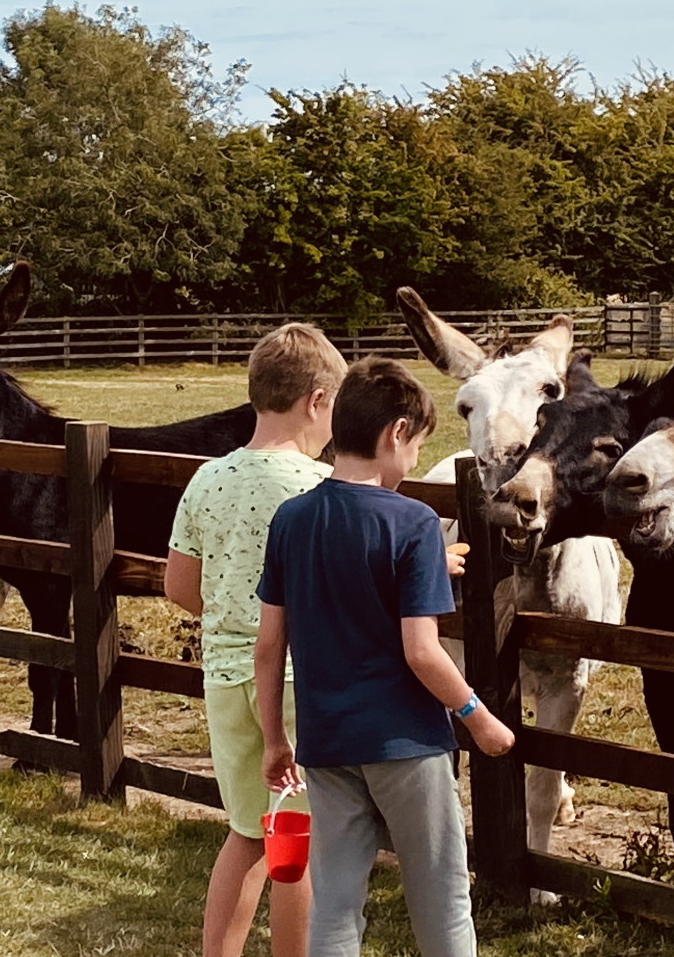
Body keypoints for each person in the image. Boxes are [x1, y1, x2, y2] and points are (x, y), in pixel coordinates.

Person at [254, 357, 514, 957]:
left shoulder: (291, 519)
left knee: (336, 900)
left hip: (326, 742)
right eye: (418, 445)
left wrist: (275, 739)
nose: (415, 460)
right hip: (407, 744)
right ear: (396, 433)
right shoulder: (415, 521)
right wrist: (477, 714)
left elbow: (270, 647)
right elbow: (422, 652)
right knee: (442, 895)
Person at [165, 323, 349, 957]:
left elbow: (181, 587)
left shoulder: (206, 479)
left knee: (246, 831)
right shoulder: (320, 489)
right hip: (296, 680)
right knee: (298, 837)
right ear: (319, 401)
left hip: (224, 675)